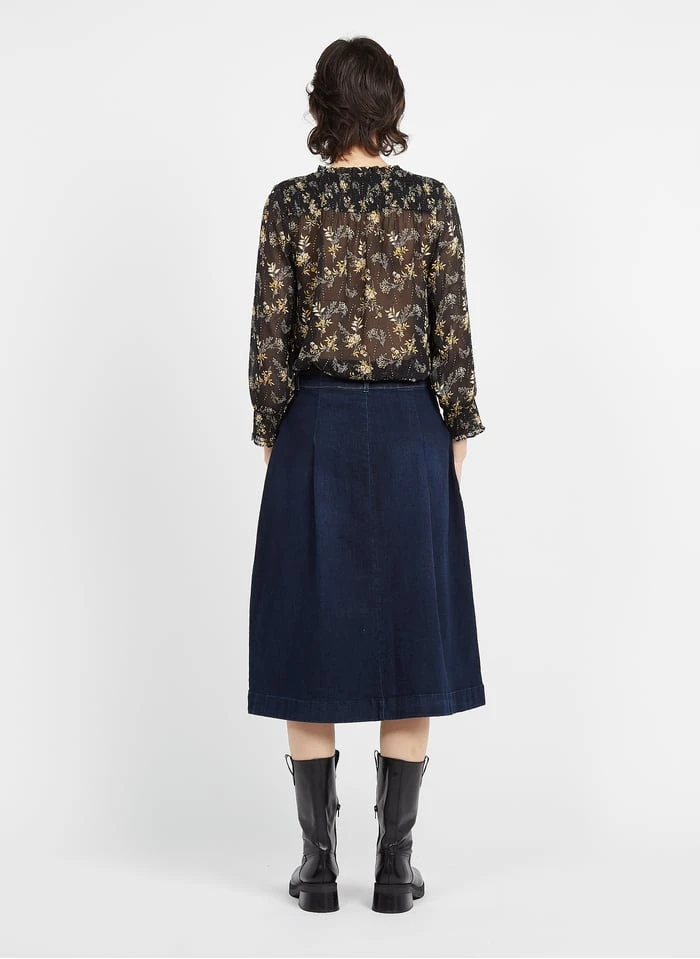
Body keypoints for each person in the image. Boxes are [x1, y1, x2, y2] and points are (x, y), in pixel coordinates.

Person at [247, 36, 486, 914]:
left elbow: (269, 334)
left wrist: (271, 425)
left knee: (304, 632)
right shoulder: (431, 203)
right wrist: (455, 424)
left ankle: (317, 870)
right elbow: (452, 330)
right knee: (411, 639)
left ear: (320, 107)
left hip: (313, 425)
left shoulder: (289, 205)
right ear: (393, 108)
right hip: (410, 430)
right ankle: (394, 868)